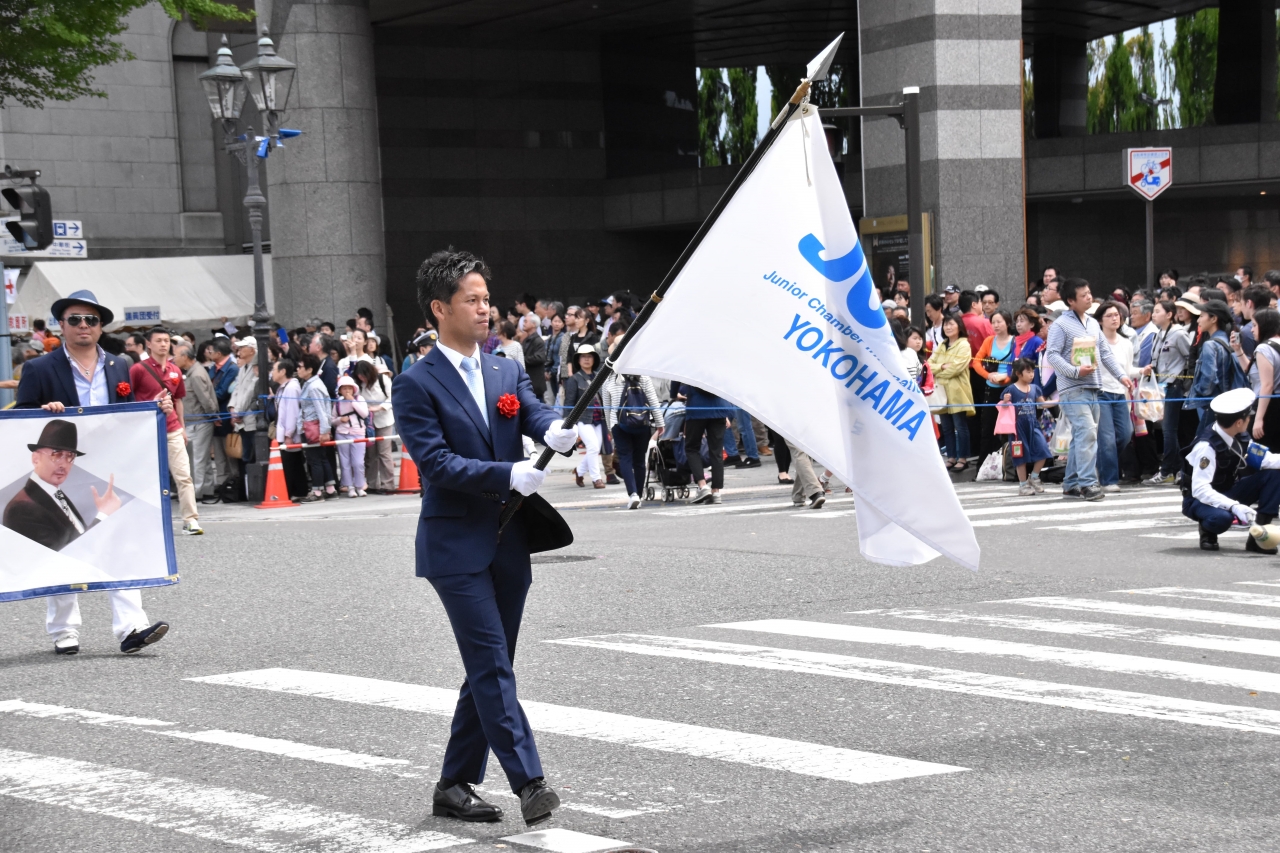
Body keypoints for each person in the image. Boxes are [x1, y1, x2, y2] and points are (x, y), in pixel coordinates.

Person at [391, 248, 577, 827]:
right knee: (492, 662)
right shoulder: (415, 383)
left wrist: (556, 429)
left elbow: (530, 412)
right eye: (471, 300)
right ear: (439, 308)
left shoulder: (503, 368)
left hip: (510, 538)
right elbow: (436, 463)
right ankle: (531, 783)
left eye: (486, 299)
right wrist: (507, 473)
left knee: (490, 664)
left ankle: (453, 784)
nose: (484, 309)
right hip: (454, 544)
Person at [13, 289, 170, 656]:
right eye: (75, 319)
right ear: (61, 325)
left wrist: (153, 410)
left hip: (110, 466)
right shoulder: (40, 367)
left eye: (91, 320)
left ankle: (131, 627)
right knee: (62, 544)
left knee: (119, 540)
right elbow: (20, 421)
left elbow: (126, 414)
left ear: (101, 327)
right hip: (61, 468)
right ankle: (63, 630)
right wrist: (43, 412)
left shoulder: (119, 365)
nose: (83, 325)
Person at [1043, 278, 1132, 501]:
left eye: (1089, 293)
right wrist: (1075, 371)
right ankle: (1088, 482)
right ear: (1070, 301)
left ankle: (1071, 483)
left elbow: (1105, 352)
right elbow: (1052, 355)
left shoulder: (1092, 323)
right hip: (1072, 388)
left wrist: (1121, 375)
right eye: (1083, 295)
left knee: (1081, 435)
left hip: (1093, 387)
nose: (1089, 297)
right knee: (1087, 432)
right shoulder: (1060, 325)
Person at [1182, 388, 1280, 553]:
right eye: (1248, 417)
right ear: (1239, 422)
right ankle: (1208, 531)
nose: (1250, 419)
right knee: (1222, 518)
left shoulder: (1239, 436)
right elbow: (1200, 490)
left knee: (1274, 474)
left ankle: (1259, 538)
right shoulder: (1206, 447)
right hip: (1199, 500)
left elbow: (1266, 460)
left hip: (1228, 491)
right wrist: (1234, 506)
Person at [4, 419, 122, 552]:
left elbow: (75, 536)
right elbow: (62, 556)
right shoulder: (21, 509)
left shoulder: (55, 494)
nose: (63, 464)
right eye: (56, 455)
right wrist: (103, 515)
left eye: (70, 456)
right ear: (35, 459)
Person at [130, 327, 201, 534]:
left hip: (172, 428)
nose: (163, 344)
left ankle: (190, 519)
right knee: (148, 478)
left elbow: (178, 400)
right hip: (146, 430)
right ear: (148, 344)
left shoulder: (175, 370)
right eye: (159, 340)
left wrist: (182, 428)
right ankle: (148, 520)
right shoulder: (138, 369)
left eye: (166, 340)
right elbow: (128, 398)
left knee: (184, 475)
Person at [1144, 300, 1193, 485]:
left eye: (1157, 311)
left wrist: (1184, 382)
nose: (1154, 314)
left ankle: (1167, 471)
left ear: (1169, 314)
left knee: (1169, 430)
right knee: (1169, 429)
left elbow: (1190, 359)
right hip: (1161, 387)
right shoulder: (1159, 334)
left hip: (1174, 386)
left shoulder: (1179, 334)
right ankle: (1178, 469)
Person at [601, 371, 664, 509]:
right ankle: (639, 495)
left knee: (625, 458)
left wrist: (610, 427)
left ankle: (633, 494)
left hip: (619, 424)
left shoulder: (609, 379)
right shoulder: (643, 376)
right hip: (642, 423)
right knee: (639, 461)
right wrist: (660, 423)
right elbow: (653, 400)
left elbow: (607, 406)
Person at [1094, 301, 1139, 493]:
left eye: (1117, 315)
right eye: (1109, 315)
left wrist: (1141, 371)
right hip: (1101, 392)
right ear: (1100, 320)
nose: (1115, 318)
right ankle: (1109, 479)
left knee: (1125, 434)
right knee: (1107, 438)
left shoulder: (1126, 343)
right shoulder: (1094, 342)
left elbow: (1127, 370)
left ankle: (1101, 462)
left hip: (1120, 393)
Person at [676, 382, 735, 505]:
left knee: (692, 448)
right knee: (716, 451)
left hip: (697, 408)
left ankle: (703, 486)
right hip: (719, 408)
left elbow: (677, 384)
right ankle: (716, 492)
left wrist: (675, 394)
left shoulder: (691, 370)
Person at [929, 316, 975, 472]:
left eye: (951, 324)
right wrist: (942, 367)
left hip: (957, 391)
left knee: (960, 426)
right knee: (947, 426)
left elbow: (957, 368)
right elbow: (929, 365)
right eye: (945, 325)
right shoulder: (942, 345)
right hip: (942, 391)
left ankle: (963, 458)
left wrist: (939, 371)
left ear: (959, 326)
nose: (947, 327)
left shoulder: (964, 345)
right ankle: (951, 457)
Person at [1189, 301, 1245, 428]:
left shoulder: (1210, 345)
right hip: (1227, 402)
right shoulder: (1227, 340)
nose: (1198, 320)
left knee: (1203, 437)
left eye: (1201, 316)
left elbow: (1208, 378)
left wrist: (1198, 391)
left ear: (1214, 319)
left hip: (1212, 404)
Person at [175, 341, 218, 503]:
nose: (174, 359)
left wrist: (212, 415)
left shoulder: (196, 374)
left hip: (199, 421)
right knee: (202, 458)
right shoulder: (194, 371)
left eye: (176, 356)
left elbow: (205, 399)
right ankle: (207, 489)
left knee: (197, 459)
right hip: (197, 420)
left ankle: (196, 491)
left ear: (185, 357)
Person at [1002, 359, 1053, 495]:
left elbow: (1043, 404)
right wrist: (1005, 401)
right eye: (1028, 372)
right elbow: (1002, 407)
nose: (1031, 375)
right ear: (1018, 373)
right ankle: (1023, 485)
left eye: (1032, 372)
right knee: (1020, 456)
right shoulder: (1011, 389)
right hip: (1017, 428)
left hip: (1033, 425)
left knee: (1043, 450)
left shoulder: (1035, 388)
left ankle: (1034, 477)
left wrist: (1060, 401)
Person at [971, 308, 1015, 461]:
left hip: (1009, 388)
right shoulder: (989, 341)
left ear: (1007, 323)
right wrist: (988, 375)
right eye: (993, 322)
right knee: (988, 427)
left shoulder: (1015, 341)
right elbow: (976, 362)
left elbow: (1018, 365)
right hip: (991, 387)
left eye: (999, 322)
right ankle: (984, 464)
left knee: (1009, 427)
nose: (996, 325)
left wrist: (1007, 379)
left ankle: (1007, 462)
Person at [562, 344, 605, 488]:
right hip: (582, 419)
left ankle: (579, 471)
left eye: (589, 356)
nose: (586, 359)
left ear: (594, 359)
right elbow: (569, 403)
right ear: (578, 360)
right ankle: (596, 479)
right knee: (593, 447)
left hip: (599, 418)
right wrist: (568, 424)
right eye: (583, 357)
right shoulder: (574, 379)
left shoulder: (599, 376)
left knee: (595, 448)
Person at [296, 353, 336, 502]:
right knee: (321, 458)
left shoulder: (313, 387)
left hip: (313, 427)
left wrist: (325, 430)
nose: (298, 369)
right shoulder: (312, 384)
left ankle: (317, 492)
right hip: (316, 426)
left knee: (315, 460)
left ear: (309, 369)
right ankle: (330, 489)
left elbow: (322, 410)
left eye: (300, 367)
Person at [353, 359, 397, 493]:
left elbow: (392, 398)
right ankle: (372, 484)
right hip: (368, 423)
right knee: (370, 455)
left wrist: (379, 407)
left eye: (363, 376)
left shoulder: (382, 379)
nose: (362, 378)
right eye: (359, 376)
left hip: (384, 420)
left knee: (384, 453)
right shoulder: (360, 385)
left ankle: (388, 484)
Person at [1246, 308, 1280, 451]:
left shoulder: (1264, 348)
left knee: (1262, 455)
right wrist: (1239, 351)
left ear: (1265, 325)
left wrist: (1259, 419)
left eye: (1254, 325)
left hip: (1269, 407)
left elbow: (1267, 385)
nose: (1252, 330)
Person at [226, 336, 261, 470]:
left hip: (250, 417)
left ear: (252, 350)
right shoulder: (243, 367)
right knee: (245, 456)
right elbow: (237, 389)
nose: (239, 350)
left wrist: (239, 412)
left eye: (242, 347)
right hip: (240, 417)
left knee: (253, 455)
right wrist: (232, 408)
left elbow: (250, 392)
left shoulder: (256, 366)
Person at [332, 375, 369, 497]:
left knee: (358, 462)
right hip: (342, 434)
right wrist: (339, 420)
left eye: (349, 388)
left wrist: (352, 400)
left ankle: (360, 486)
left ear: (354, 389)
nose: (347, 391)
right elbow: (332, 420)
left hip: (358, 433)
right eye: (344, 388)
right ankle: (350, 487)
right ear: (340, 390)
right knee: (345, 462)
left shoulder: (359, 399)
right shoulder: (338, 403)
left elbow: (364, 414)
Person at [519, 314, 547, 400]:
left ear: (534, 324)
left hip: (535, 382)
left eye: (526, 321)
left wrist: (522, 360)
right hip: (529, 380)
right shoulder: (526, 340)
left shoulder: (538, 341)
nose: (523, 323)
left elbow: (540, 357)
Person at [545, 312, 566, 403]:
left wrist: (551, 371)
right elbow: (546, 356)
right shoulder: (549, 339)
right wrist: (546, 370)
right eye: (555, 321)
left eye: (559, 322)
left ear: (563, 324)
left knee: (558, 397)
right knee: (550, 398)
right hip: (549, 371)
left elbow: (560, 357)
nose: (557, 324)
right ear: (551, 323)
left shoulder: (563, 337)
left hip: (557, 373)